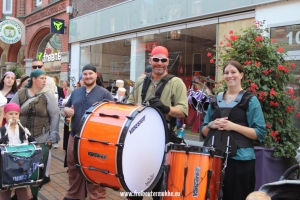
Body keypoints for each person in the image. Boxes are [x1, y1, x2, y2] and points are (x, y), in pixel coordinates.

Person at [127, 46, 188, 200]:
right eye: (156, 59)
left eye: (163, 60)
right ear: (150, 60)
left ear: (168, 62)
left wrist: (165, 108)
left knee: (159, 184)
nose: (159, 63)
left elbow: (183, 111)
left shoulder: (176, 83)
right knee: (134, 179)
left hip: (162, 137)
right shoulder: (141, 81)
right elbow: (130, 103)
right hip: (138, 136)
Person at [200, 60, 266, 200]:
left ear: (241, 75)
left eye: (233, 72)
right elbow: (204, 131)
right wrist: (212, 124)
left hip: (241, 162)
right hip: (214, 159)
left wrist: (233, 126)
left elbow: (259, 133)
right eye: (226, 73)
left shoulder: (250, 100)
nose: (230, 76)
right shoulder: (215, 100)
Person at [63, 64, 114, 200]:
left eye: (90, 73)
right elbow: (67, 107)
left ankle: (96, 196)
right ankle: (74, 195)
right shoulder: (76, 92)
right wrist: (66, 111)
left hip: (94, 140)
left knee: (94, 169)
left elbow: (113, 114)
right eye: (85, 74)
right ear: (82, 76)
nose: (88, 76)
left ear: (96, 75)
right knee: (73, 166)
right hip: (74, 136)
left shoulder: (104, 93)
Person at [11, 69, 59, 200]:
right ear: (33, 79)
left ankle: (34, 196)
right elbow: (11, 110)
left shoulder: (48, 96)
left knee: (37, 173)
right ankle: (20, 196)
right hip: (21, 140)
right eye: (42, 78)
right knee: (21, 172)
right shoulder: (21, 93)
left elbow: (55, 116)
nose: (45, 80)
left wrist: (52, 138)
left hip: (41, 139)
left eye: (45, 78)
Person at [0, 102, 35, 200]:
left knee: (23, 193)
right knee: (4, 193)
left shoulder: (24, 130)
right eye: (10, 114)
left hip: (21, 167)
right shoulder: (2, 131)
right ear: (4, 115)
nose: (14, 116)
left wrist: (32, 142)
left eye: (16, 114)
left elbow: (30, 147)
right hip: (5, 168)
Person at [52, 77, 65, 149]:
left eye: (54, 81)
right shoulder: (47, 89)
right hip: (48, 110)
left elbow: (62, 98)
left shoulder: (59, 89)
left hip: (57, 110)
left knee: (56, 126)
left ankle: (55, 141)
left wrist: (59, 105)